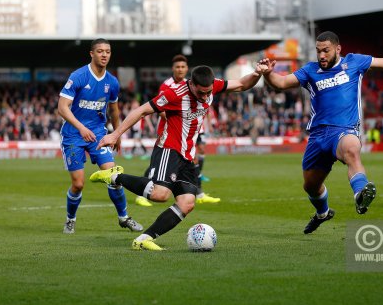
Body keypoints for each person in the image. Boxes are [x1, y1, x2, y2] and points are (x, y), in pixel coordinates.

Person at [259, 31, 383, 234]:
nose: (321, 56)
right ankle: (323, 213)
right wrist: (267, 73)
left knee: (351, 150)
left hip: (344, 130)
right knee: (311, 186)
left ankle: (360, 193)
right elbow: (281, 83)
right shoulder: (310, 70)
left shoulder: (355, 62)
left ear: (338, 49)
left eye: (326, 51)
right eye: (318, 51)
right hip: (318, 137)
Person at [89, 63, 268, 250]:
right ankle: (113, 176)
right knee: (160, 194)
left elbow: (241, 84)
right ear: (191, 84)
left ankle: (143, 239)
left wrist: (257, 73)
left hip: (187, 154)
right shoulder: (175, 94)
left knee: (187, 203)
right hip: (169, 149)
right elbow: (141, 111)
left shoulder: (211, 85)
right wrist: (115, 134)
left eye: (208, 93)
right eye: (201, 93)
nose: (206, 97)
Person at [58, 38, 143, 234]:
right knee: (78, 184)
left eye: (108, 51)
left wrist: (117, 133)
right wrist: (80, 128)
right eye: (100, 51)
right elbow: (62, 108)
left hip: (98, 134)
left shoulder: (112, 82)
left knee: (114, 176)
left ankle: (123, 217)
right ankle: (70, 219)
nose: (104, 55)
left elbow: (114, 109)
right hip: (73, 135)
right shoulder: (78, 76)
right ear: (92, 54)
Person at [135, 54, 220, 208]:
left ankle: (198, 192)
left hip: (192, 130)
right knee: (162, 165)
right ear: (173, 69)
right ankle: (144, 192)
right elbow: (160, 109)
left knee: (197, 154)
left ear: (187, 68)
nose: (180, 69)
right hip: (173, 131)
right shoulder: (167, 86)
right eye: (177, 67)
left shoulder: (195, 84)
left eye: (183, 67)